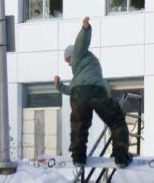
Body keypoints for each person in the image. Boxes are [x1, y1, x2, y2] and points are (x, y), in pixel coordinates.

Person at [54, 17, 133, 168]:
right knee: (116, 120)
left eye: (68, 60)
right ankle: (121, 157)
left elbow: (81, 43)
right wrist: (59, 86)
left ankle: (78, 157)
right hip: (97, 92)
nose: (69, 63)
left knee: (79, 125)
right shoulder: (85, 71)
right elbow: (72, 89)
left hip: (80, 94)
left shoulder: (80, 53)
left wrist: (85, 29)